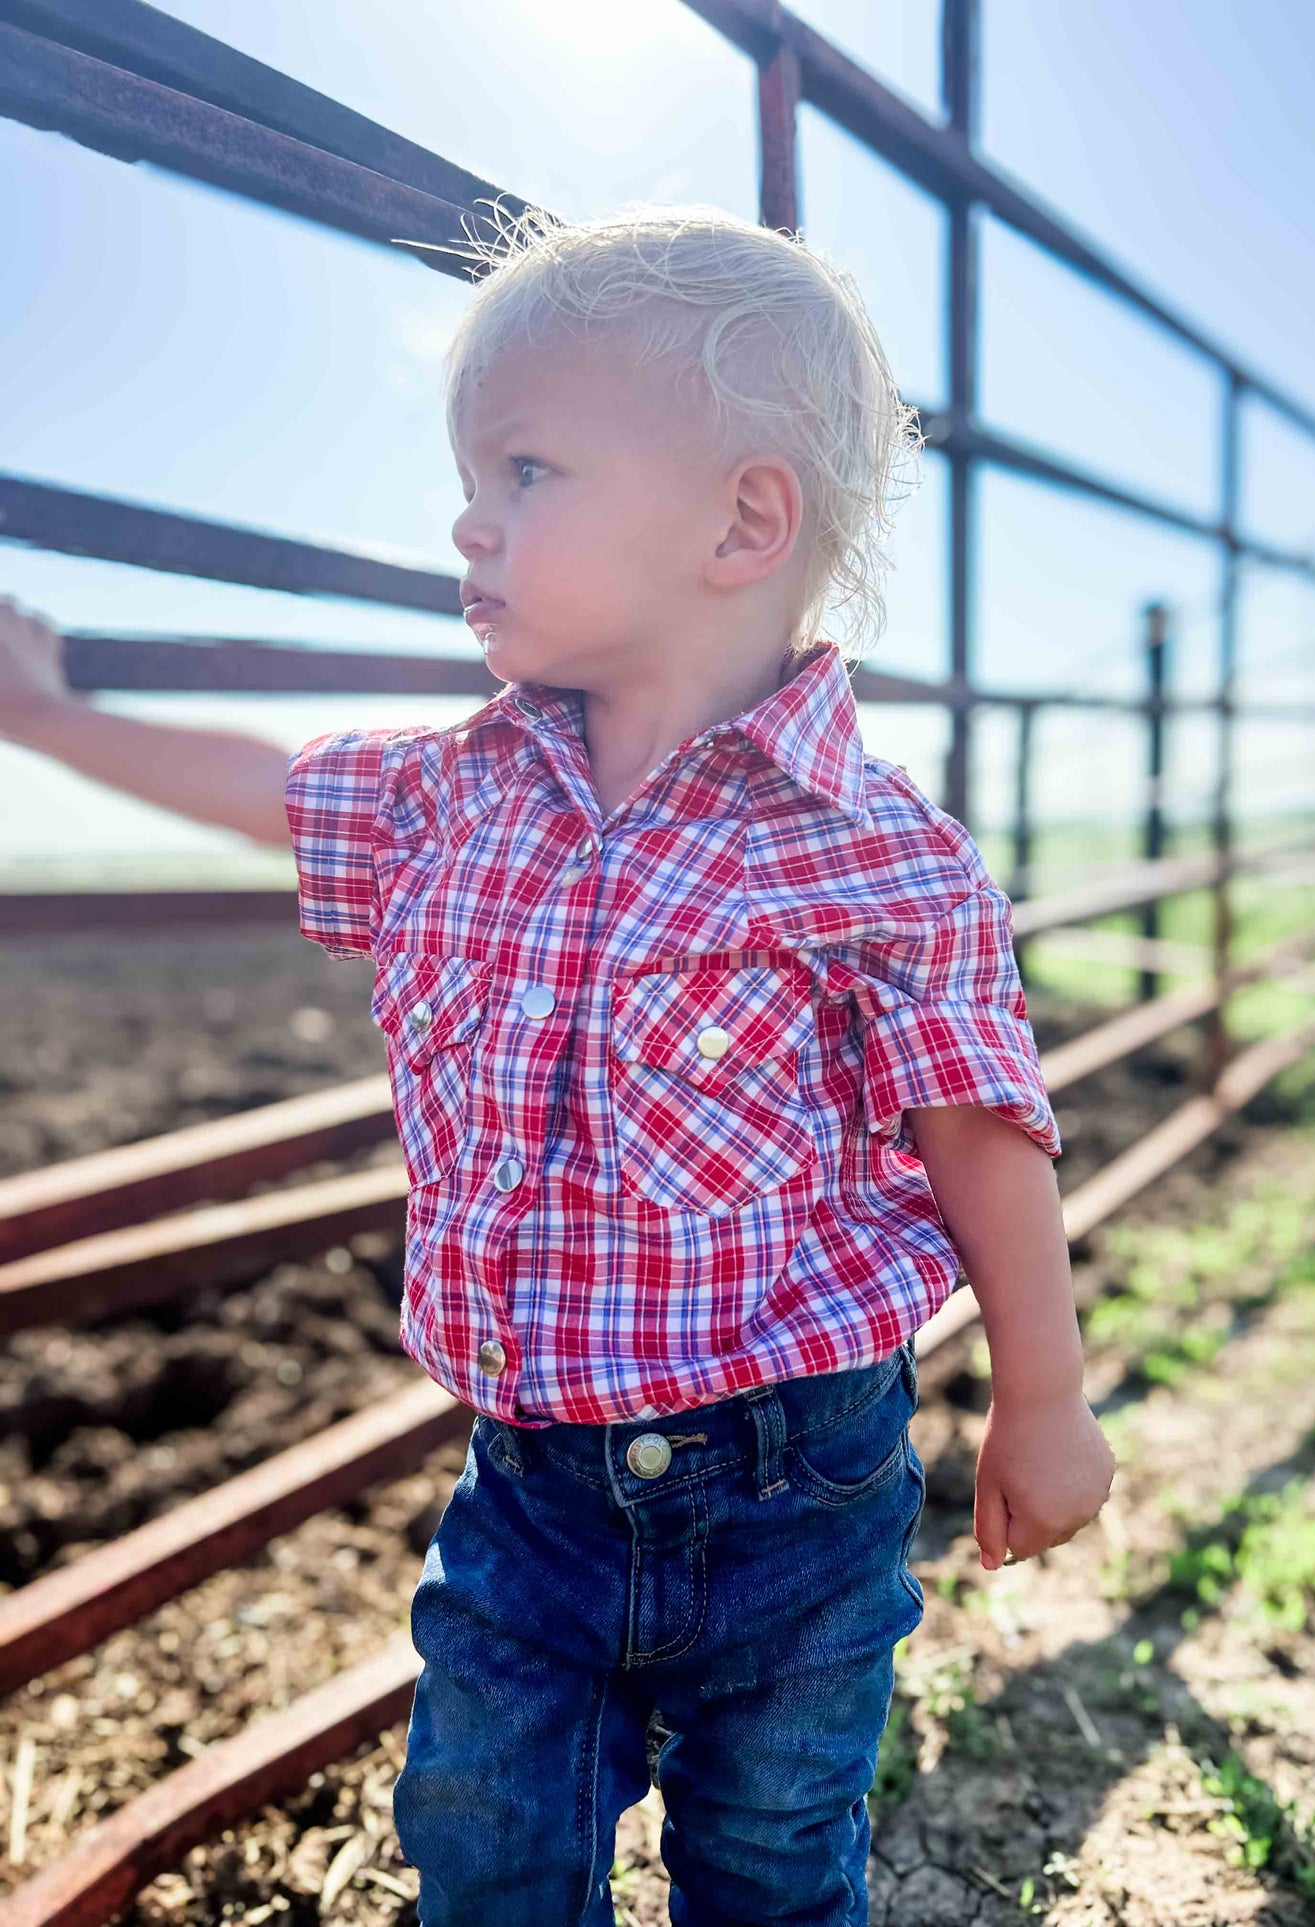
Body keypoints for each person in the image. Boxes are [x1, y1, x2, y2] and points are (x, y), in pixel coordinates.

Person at [0, 202, 1114, 1926]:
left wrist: (1041, 1398)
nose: (467, 516)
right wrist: (52, 716)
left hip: (795, 1484)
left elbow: (980, 1132)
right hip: (526, 1482)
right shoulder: (448, 797)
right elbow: (260, 783)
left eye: (525, 471)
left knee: (769, 1857)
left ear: (744, 519)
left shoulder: (880, 856)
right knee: (486, 1843)